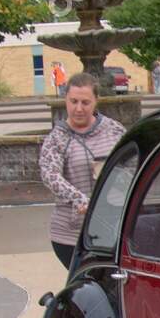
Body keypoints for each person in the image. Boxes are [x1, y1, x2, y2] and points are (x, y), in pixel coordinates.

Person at [38, 72, 124, 266]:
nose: (78, 108)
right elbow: (50, 175)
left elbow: (131, 165)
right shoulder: (57, 137)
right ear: (65, 100)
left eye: (85, 102)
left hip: (111, 227)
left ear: (96, 102)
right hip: (71, 233)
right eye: (73, 101)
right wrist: (80, 200)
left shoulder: (114, 130)